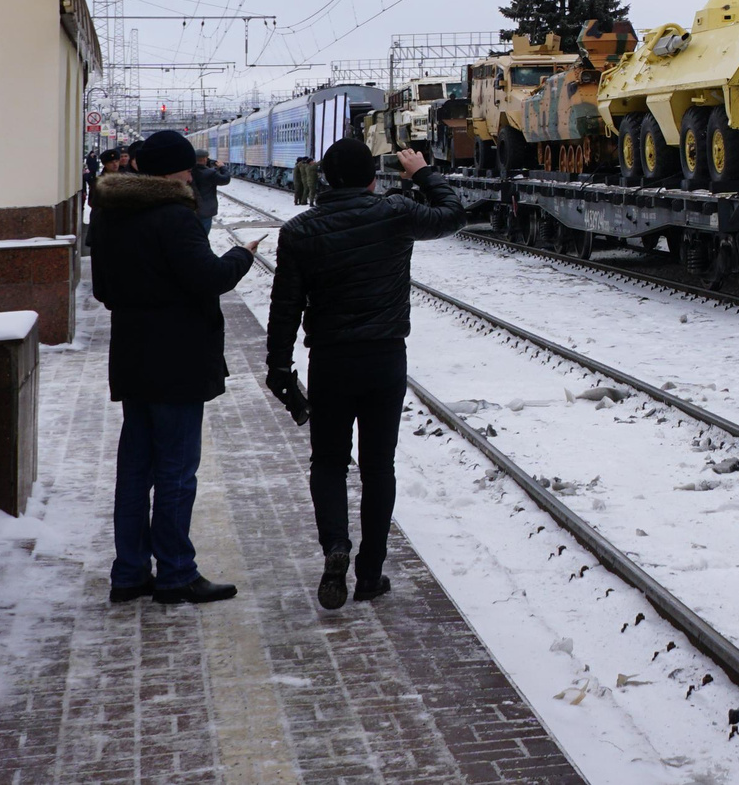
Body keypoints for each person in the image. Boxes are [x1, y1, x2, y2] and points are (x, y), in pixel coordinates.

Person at [266, 136, 464, 609]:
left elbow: (285, 306)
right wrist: (421, 172)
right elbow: (453, 214)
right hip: (384, 358)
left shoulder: (299, 231)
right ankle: (370, 574)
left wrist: (278, 364)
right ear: (374, 179)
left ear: (325, 178)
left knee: (330, 462)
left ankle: (336, 546)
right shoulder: (395, 213)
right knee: (379, 467)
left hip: (331, 361)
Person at [88, 129, 261, 605]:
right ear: (171, 172)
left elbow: (102, 289)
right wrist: (241, 256)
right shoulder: (174, 217)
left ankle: (128, 573)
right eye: (187, 168)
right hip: (178, 360)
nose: (193, 175)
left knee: (134, 470)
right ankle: (175, 574)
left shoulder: (107, 215)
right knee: (176, 472)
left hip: (132, 358)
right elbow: (208, 279)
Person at [193, 152, 232, 223]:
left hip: (191, 208)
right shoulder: (210, 173)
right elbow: (225, 179)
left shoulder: (189, 171)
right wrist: (223, 167)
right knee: (203, 232)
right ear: (205, 159)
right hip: (206, 210)